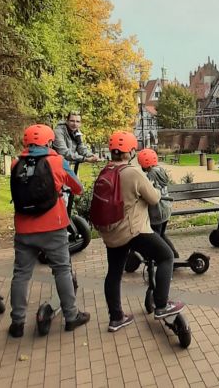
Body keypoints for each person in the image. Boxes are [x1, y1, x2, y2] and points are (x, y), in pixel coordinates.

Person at [91, 132, 184, 332]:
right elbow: (154, 198)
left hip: (112, 233)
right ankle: (161, 305)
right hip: (133, 230)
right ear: (131, 151)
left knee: (114, 273)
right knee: (166, 256)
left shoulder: (106, 170)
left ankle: (116, 318)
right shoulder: (132, 172)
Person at [8, 124, 90, 338]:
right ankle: (71, 317)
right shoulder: (56, 162)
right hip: (53, 227)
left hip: (24, 229)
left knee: (21, 274)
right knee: (62, 270)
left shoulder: (16, 163)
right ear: (49, 142)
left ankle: (17, 322)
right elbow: (78, 187)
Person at [137, 148, 178, 257]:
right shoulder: (161, 170)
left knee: (156, 237)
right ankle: (174, 255)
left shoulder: (151, 174)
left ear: (145, 164)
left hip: (157, 212)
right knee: (161, 235)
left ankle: (164, 257)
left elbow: (146, 190)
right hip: (166, 209)